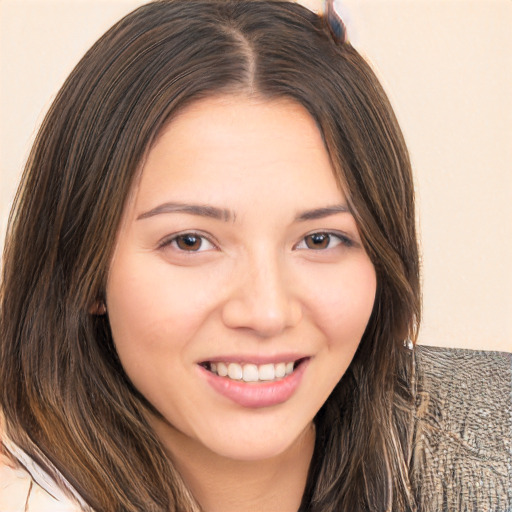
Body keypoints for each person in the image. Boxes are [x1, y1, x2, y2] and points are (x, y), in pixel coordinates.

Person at [1, 1, 509, 512]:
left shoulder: (486, 449)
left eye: (319, 240)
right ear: (83, 268)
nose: (267, 313)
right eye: (190, 242)